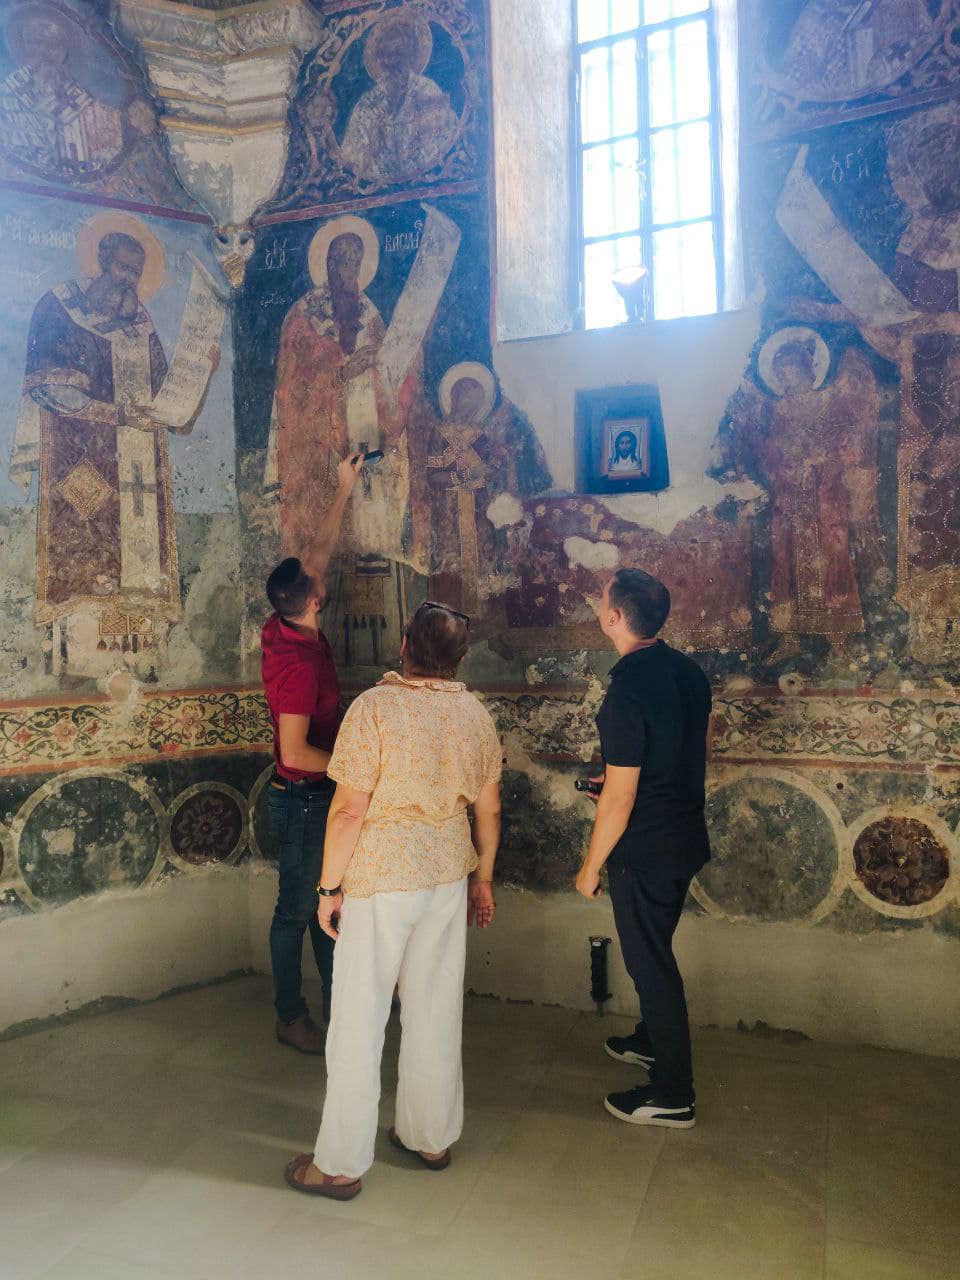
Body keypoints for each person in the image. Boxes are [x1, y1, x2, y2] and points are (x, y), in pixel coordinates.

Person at [283, 601, 502, 1199]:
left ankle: (340, 1165)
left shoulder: (374, 709)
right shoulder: (475, 715)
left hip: (381, 878)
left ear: (404, 643)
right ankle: (430, 1137)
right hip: (446, 877)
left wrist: (329, 888)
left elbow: (348, 811)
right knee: (435, 1008)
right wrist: (483, 878)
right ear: (460, 657)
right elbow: (488, 809)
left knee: (359, 1019)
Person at [575, 569, 711, 1129]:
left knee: (650, 965)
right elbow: (679, 753)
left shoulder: (627, 688)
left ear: (614, 618)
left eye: (601, 598)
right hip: (684, 836)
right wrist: (619, 781)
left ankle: (673, 1094)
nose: (597, 603)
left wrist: (590, 866)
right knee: (655, 948)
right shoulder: (687, 671)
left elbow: (622, 797)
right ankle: (653, 1040)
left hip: (646, 849)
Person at [261, 453, 365, 1054]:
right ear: (315, 602)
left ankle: (340, 1008)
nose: (322, 575)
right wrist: (361, 765)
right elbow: (297, 751)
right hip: (302, 797)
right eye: (317, 581)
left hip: (315, 796)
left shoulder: (286, 619)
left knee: (329, 904)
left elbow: (316, 556)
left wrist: (344, 487)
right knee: (297, 910)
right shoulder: (297, 665)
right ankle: (290, 1015)